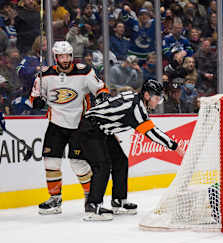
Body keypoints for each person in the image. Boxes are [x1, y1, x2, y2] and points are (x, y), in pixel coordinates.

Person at [77, 80, 183, 221]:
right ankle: (93, 206)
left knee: (121, 161)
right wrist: (174, 146)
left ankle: (119, 201)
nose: (158, 102)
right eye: (156, 98)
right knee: (102, 165)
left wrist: (110, 127)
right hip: (90, 128)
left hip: (102, 129)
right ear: (146, 95)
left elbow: (109, 109)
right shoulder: (136, 108)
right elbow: (152, 133)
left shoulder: (134, 99)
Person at [30, 41, 109, 215]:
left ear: (72, 56)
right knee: (50, 162)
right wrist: (37, 102)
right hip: (56, 124)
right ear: (55, 57)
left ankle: (90, 197)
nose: (65, 60)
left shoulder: (84, 71)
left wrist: (103, 97)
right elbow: (34, 97)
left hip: (79, 125)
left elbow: (101, 89)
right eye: (61, 56)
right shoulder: (44, 75)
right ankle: (55, 199)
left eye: (68, 56)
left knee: (78, 163)